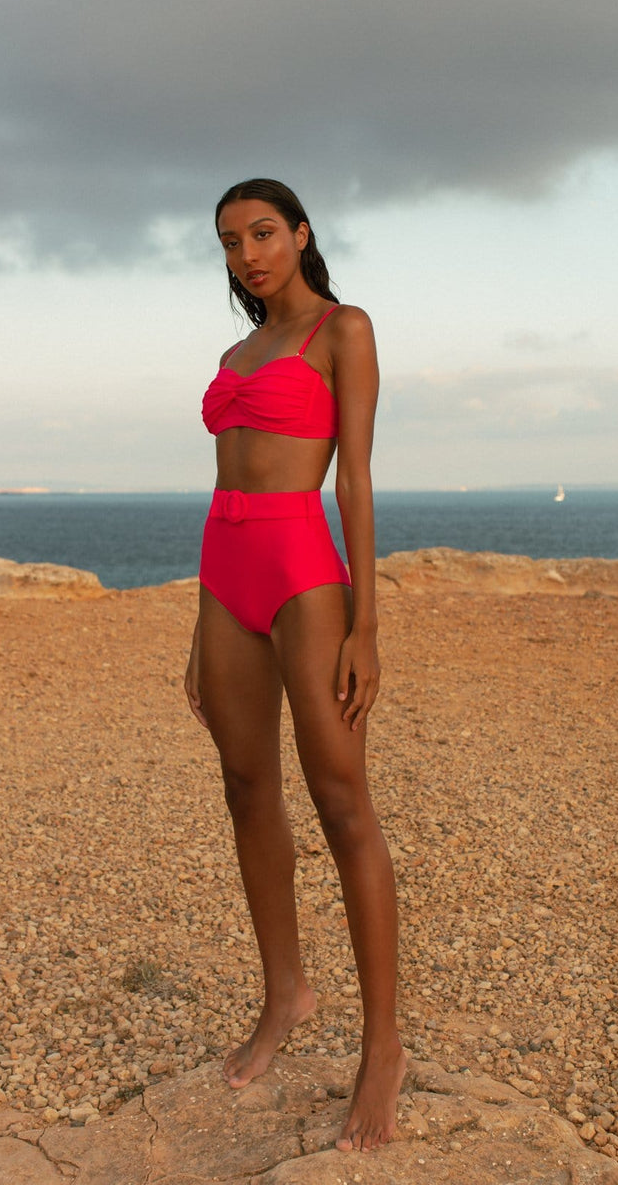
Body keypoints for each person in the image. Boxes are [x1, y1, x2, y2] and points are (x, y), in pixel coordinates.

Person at [184, 179, 405, 1153]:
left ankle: (383, 1047)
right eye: (230, 241)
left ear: (301, 234)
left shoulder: (340, 330)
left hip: (301, 571)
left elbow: (352, 476)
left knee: (341, 799)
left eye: (263, 234)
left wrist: (364, 621)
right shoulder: (235, 352)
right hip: (223, 565)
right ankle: (286, 994)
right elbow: (224, 478)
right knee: (242, 784)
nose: (247, 255)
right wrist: (197, 629)